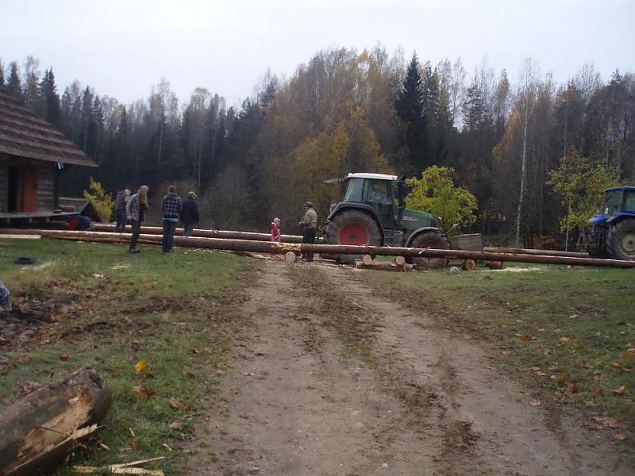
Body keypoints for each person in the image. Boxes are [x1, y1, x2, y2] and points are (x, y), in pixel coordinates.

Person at [126, 185, 149, 253]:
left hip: (140, 217)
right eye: (145, 191)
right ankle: (131, 248)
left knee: (137, 233)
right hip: (134, 216)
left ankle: (133, 247)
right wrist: (128, 215)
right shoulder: (134, 196)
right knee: (135, 232)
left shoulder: (145, 198)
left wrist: (145, 206)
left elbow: (146, 207)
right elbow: (128, 205)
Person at [161, 185, 182, 252]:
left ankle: (164, 248)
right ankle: (169, 247)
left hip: (166, 217)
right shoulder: (178, 199)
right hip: (174, 218)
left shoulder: (165, 198)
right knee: (171, 234)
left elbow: (162, 207)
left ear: (168, 190)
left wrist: (165, 212)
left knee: (165, 233)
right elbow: (179, 209)